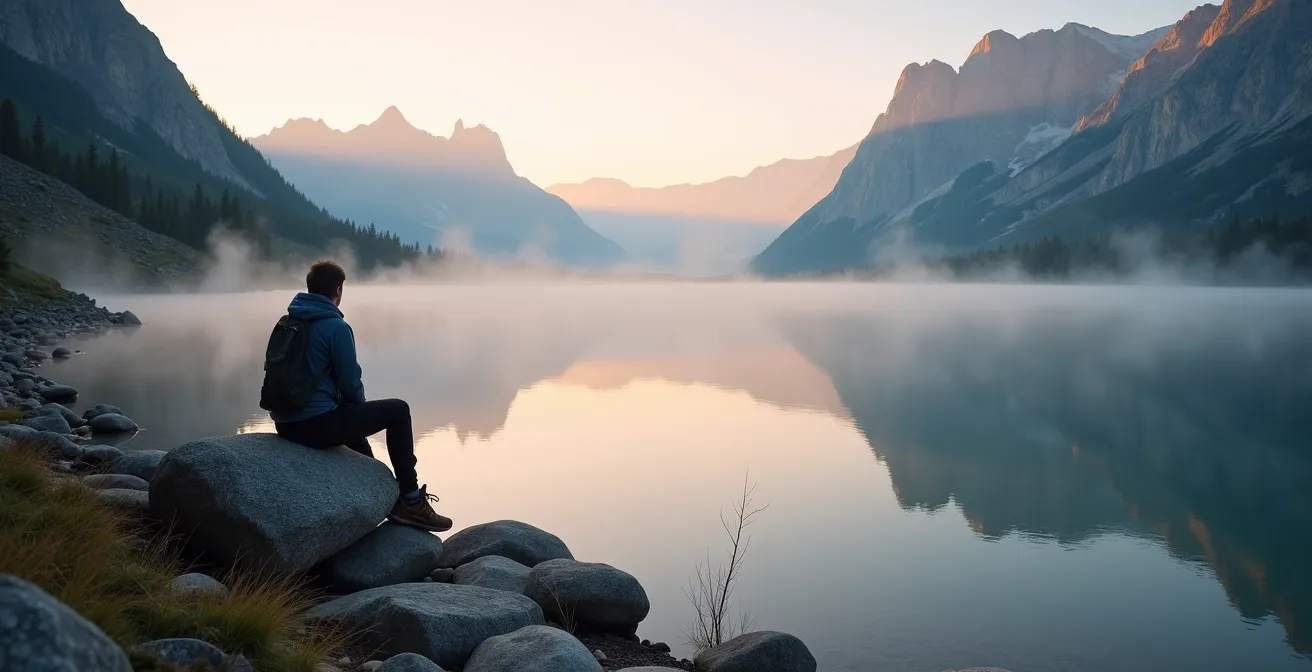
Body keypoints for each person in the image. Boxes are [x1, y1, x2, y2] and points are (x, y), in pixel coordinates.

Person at [269, 261, 451, 532]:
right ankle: (411, 501)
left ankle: (381, 495)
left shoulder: (288, 322)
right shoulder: (335, 326)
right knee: (398, 411)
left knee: (351, 421)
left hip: (285, 423)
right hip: (314, 427)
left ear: (310, 288)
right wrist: (359, 413)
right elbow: (351, 384)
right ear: (338, 290)